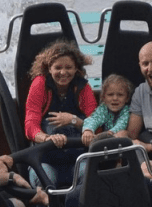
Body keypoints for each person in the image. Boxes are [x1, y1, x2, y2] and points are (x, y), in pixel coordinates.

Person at [23, 39, 98, 187]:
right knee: (44, 179)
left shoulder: (83, 87)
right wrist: (47, 138)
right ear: (49, 68)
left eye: (69, 67)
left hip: (77, 159)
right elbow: (30, 125)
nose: (63, 72)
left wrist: (74, 120)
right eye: (58, 68)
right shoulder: (40, 84)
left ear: (76, 68)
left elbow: (96, 122)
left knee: (90, 174)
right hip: (47, 160)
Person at [81, 74, 134, 147]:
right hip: (105, 144)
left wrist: (108, 134)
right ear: (103, 97)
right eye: (110, 94)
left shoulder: (127, 110)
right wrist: (88, 130)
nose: (115, 98)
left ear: (127, 98)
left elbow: (122, 124)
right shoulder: (103, 108)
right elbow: (94, 119)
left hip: (121, 144)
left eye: (120, 95)